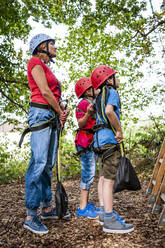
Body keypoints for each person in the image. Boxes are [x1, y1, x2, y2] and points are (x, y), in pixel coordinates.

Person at [23, 33, 70, 234]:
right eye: (53, 44)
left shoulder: (47, 67)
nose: (55, 48)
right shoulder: (35, 62)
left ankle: (47, 207)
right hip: (41, 115)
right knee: (39, 162)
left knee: (48, 165)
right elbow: (44, 91)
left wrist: (61, 109)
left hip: (50, 116)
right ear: (42, 46)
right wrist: (59, 111)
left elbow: (53, 95)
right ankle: (30, 215)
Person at [91, 65, 134, 233]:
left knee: (102, 178)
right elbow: (110, 112)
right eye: (115, 76)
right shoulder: (112, 93)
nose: (118, 79)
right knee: (109, 181)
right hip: (109, 141)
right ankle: (109, 219)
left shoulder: (99, 96)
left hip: (99, 142)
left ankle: (103, 212)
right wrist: (119, 130)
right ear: (109, 80)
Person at [74, 77, 100, 218]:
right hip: (85, 143)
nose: (97, 89)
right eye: (94, 87)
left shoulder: (90, 102)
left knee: (90, 173)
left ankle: (86, 203)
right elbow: (80, 124)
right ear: (88, 91)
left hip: (89, 143)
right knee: (88, 174)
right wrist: (89, 114)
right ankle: (82, 207)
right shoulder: (84, 104)